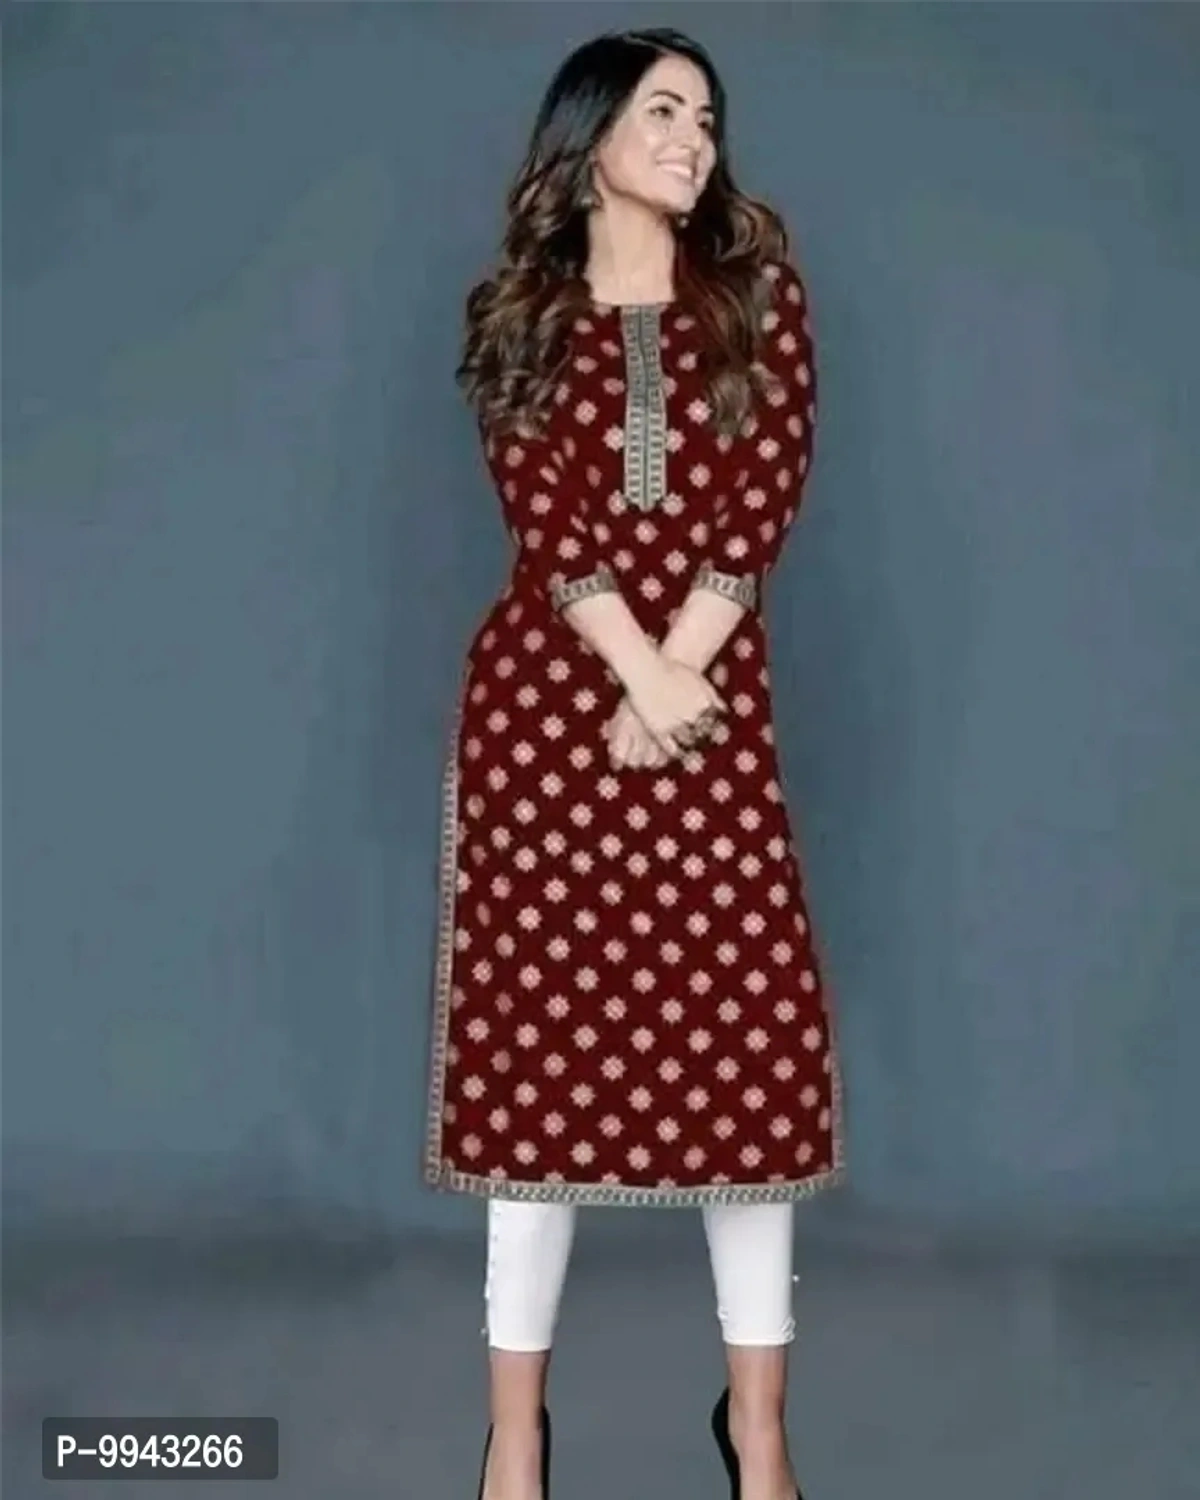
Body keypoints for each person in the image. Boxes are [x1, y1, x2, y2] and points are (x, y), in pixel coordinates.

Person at [422, 27, 844, 1500]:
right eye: (663, 110)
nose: (693, 137)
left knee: (749, 1058)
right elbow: (542, 508)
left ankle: (761, 1434)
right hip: (549, 713)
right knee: (536, 1066)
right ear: (590, 134)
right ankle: (517, 1439)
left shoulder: (757, 298)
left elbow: (765, 489)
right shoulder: (521, 311)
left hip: (712, 703)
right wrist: (639, 673)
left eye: (707, 116)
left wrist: (684, 672)